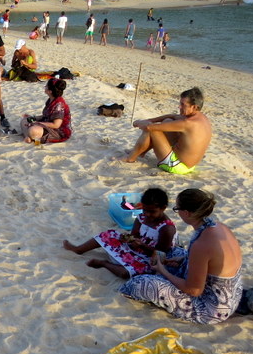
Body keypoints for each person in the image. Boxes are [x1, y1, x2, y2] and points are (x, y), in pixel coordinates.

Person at [120, 189, 243, 324]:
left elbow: (194, 290)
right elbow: (211, 261)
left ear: (187, 213)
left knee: (138, 284)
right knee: (173, 252)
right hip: (232, 295)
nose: (176, 212)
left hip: (212, 308)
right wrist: (182, 260)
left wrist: (163, 271)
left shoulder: (201, 245)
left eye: (177, 208)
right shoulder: (219, 226)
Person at [63, 187, 177, 279]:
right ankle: (79, 249)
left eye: (152, 211)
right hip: (136, 248)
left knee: (125, 274)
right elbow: (134, 235)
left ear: (163, 208)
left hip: (148, 257)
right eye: (145, 210)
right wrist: (129, 239)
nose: (147, 214)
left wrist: (142, 246)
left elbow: (161, 254)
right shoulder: (141, 217)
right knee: (109, 234)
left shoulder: (166, 228)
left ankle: (104, 264)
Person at [122, 87, 211, 174]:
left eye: (183, 104)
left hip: (177, 166)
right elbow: (171, 116)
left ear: (194, 107)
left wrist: (138, 122)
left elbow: (149, 128)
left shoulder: (188, 123)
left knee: (153, 130)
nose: (179, 106)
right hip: (190, 166)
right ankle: (140, 152)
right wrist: (150, 120)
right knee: (167, 121)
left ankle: (130, 158)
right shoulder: (201, 118)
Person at [21, 78, 71, 145]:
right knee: (24, 120)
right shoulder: (51, 99)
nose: (45, 87)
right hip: (46, 124)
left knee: (33, 130)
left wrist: (38, 123)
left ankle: (30, 136)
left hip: (56, 131)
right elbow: (46, 116)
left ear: (50, 91)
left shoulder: (59, 104)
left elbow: (56, 125)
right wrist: (34, 118)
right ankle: (29, 136)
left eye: (46, 86)